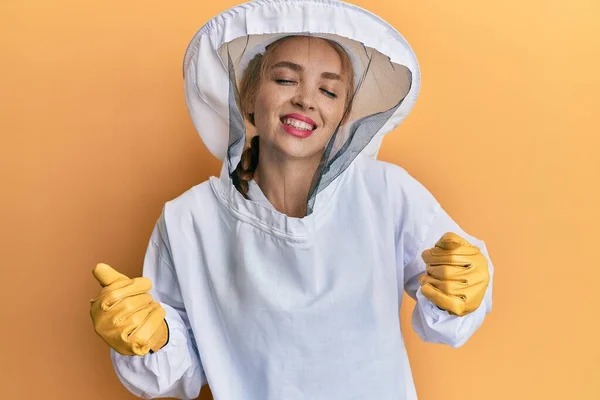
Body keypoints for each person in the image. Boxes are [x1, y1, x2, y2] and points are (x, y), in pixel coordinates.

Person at [89, 1, 494, 399]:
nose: (306, 99)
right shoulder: (189, 219)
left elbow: (450, 308)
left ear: (343, 117)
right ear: (248, 98)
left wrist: (465, 286)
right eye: (285, 80)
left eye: (329, 90)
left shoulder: (387, 192)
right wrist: (150, 338)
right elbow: (178, 372)